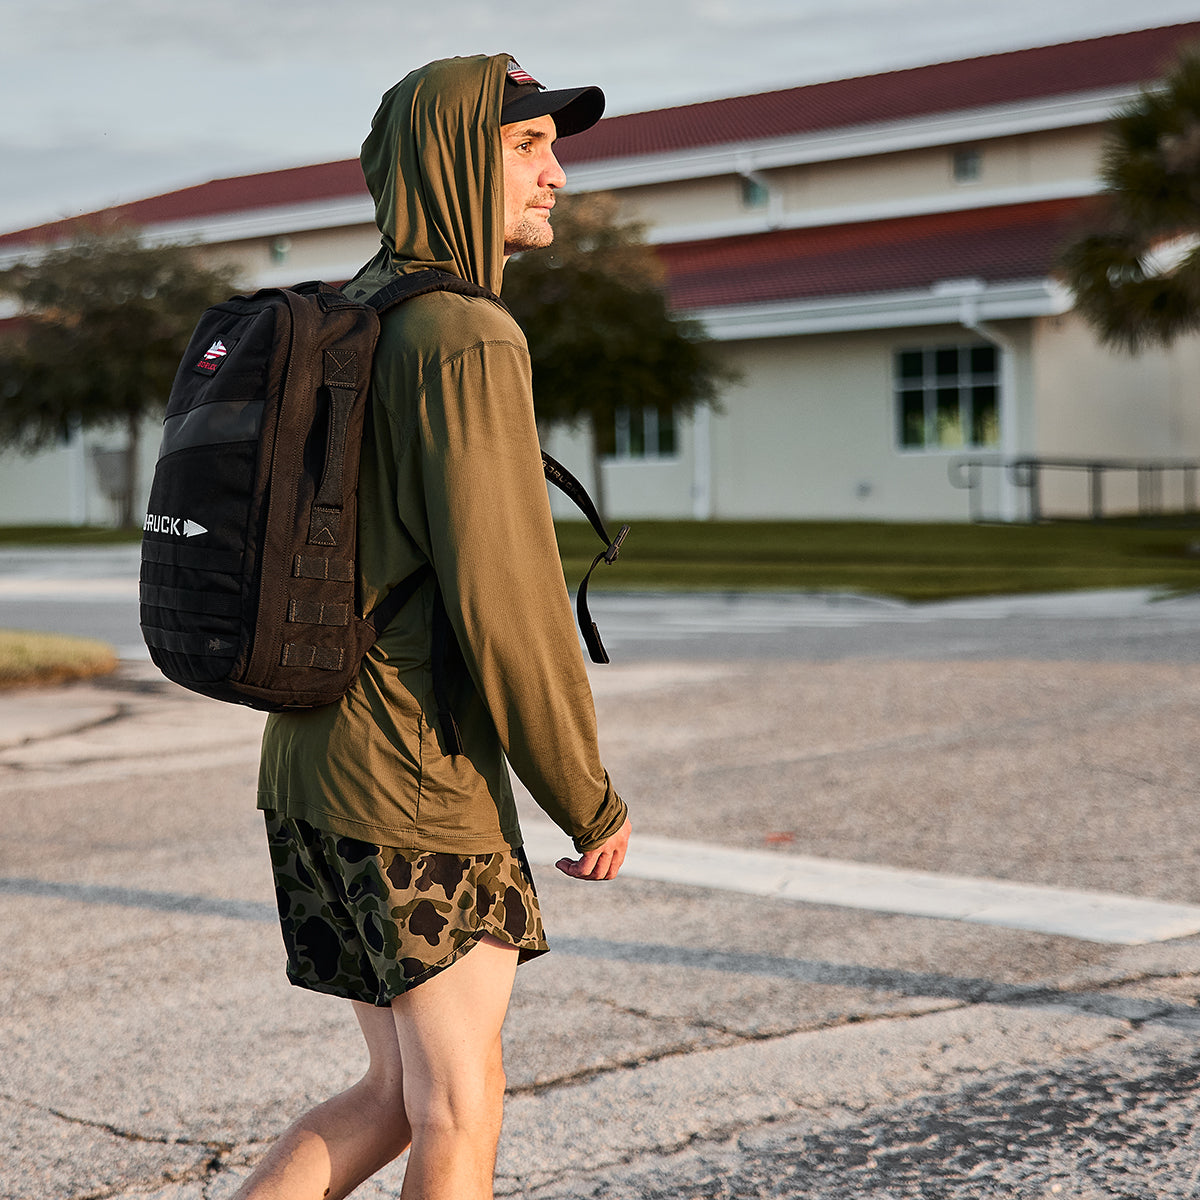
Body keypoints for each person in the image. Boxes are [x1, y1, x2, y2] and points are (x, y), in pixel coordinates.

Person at [238, 54, 631, 1200]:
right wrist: (585, 792)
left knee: (391, 1098)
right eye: (527, 145)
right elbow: (507, 600)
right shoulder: (463, 337)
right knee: (459, 1108)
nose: (556, 173)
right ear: (452, 158)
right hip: (416, 783)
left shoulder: (354, 310)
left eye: (555, 145)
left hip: (312, 760)